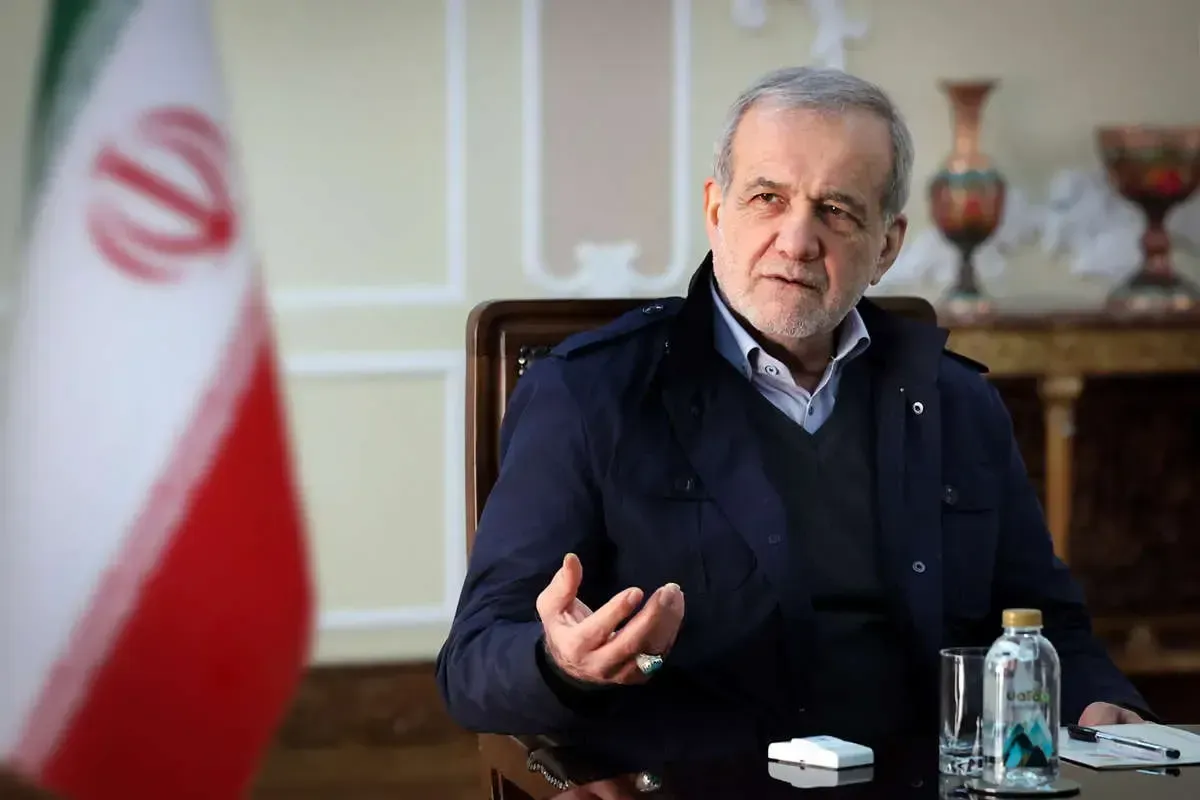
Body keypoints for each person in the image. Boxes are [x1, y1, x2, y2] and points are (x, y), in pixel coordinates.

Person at [435, 66, 1151, 768]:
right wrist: (561, 664)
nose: (798, 240)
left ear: (887, 245)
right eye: (767, 198)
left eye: (836, 210)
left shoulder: (957, 402)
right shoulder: (588, 393)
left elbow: (1046, 624)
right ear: (717, 211)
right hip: (693, 787)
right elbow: (472, 666)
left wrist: (1098, 703)